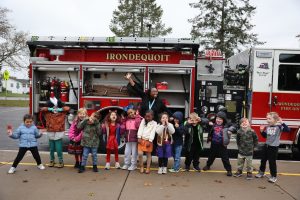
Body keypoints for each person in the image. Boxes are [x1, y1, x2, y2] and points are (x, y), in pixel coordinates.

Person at [255, 112, 290, 183]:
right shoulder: (268, 127)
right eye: (267, 118)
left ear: (275, 119)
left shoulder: (279, 127)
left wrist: (282, 122)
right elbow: (265, 136)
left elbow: (287, 130)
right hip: (266, 145)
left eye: (269, 118)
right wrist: (261, 131)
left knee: (272, 162)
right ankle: (261, 172)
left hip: (273, 147)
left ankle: (273, 176)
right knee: (263, 160)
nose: (267, 120)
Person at [40, 96, 70, 168]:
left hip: (59, 131)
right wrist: (49, 108)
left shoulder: (62, 113)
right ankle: (52, 160)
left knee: (58, 147)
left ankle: (60, 161)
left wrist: (60, 108)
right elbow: (42, 109)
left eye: (56, 106)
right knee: (51, 148)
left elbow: (67, 108)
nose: (54, 108)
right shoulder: (47, 113)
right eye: (53, 106)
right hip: (50, 131)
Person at [203, 111, 233, 176]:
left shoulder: (226, 126)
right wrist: (208, 122)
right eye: (217, 118)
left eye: (220, 119)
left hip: (222, 145)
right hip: (214, 144)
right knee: (211, 156)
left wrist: (230, 130)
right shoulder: (213, 125)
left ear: (223, 120)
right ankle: (208, 166)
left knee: (225, 158)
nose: (218, 120)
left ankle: (229, 170)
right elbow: (203, 120)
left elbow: (234, 126)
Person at [137, 110, 157, 174]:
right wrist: (139, 137)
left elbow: (153, 132)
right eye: (146, 116)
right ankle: (141, 166)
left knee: (148, 154)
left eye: (149, 117)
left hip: (148, 141)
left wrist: (150, 141)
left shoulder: (154, 123)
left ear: (153, 116)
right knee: (140, 154)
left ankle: (148, 167)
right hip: (142, 139)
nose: (147, 118)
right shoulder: (143, 120)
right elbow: (140, 128)